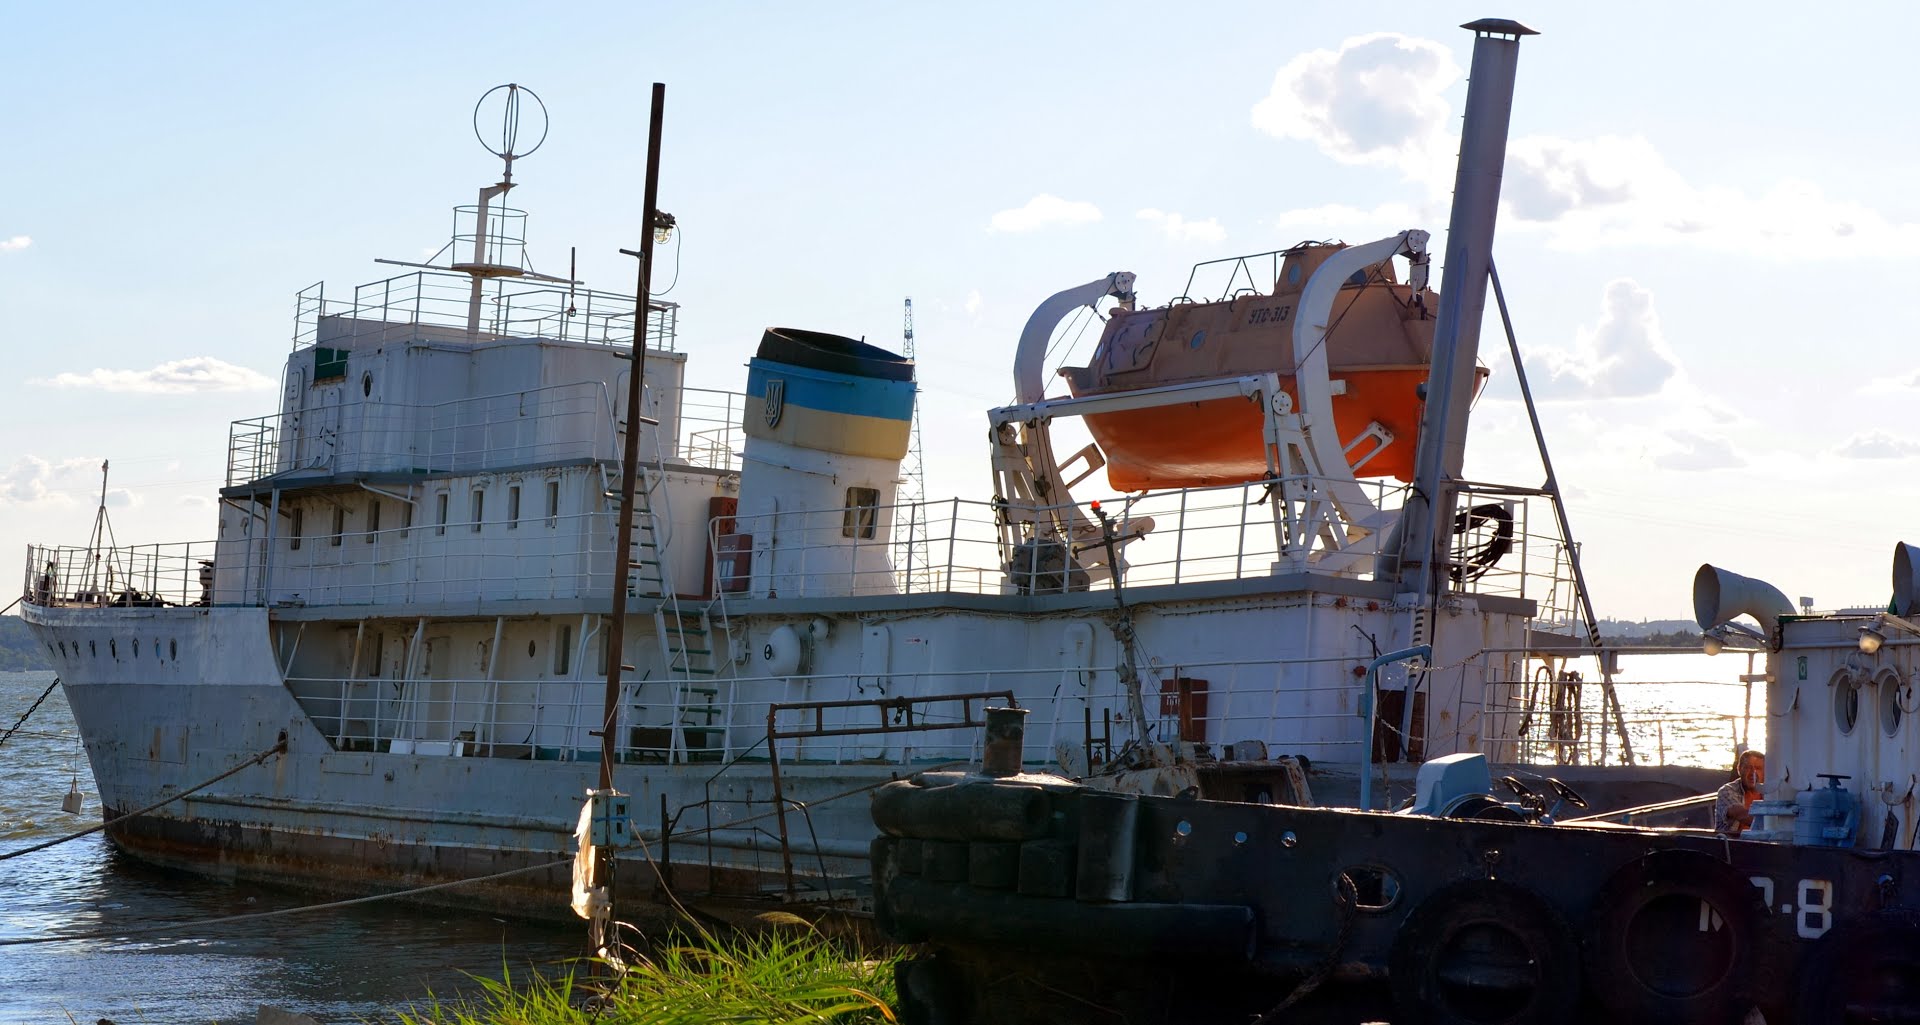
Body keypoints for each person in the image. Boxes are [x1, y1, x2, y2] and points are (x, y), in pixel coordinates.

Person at [1714, 748, 1766, 837]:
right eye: (1747, 768)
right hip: (1732, 846)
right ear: (1739, 769)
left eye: (1758, 768)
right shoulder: (1727, 791)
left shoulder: (1771, 792)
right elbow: (1741, 814)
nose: (1753, 773)